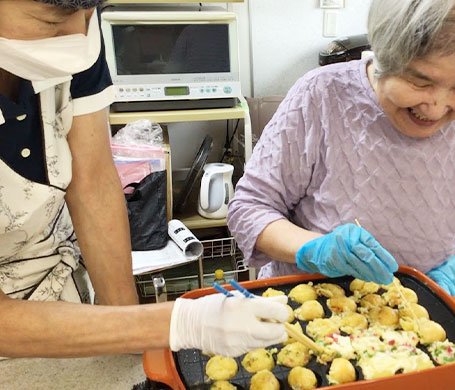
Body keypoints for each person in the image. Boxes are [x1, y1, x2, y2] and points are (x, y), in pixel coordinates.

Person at [0, 0, 287, 358]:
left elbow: (94, 182)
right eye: (49, 21)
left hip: (65, 293)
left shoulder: (74, 38)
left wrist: (132, 335)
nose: (78, 34)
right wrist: (174, 324)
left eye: (89, 14)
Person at [228, 0, 455, 296]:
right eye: (419, 82)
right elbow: (249, 208)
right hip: (306, 310)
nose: (436, 106)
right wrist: (313, 249)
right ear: (383, 56)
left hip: (416, 314)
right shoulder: (321, 96)